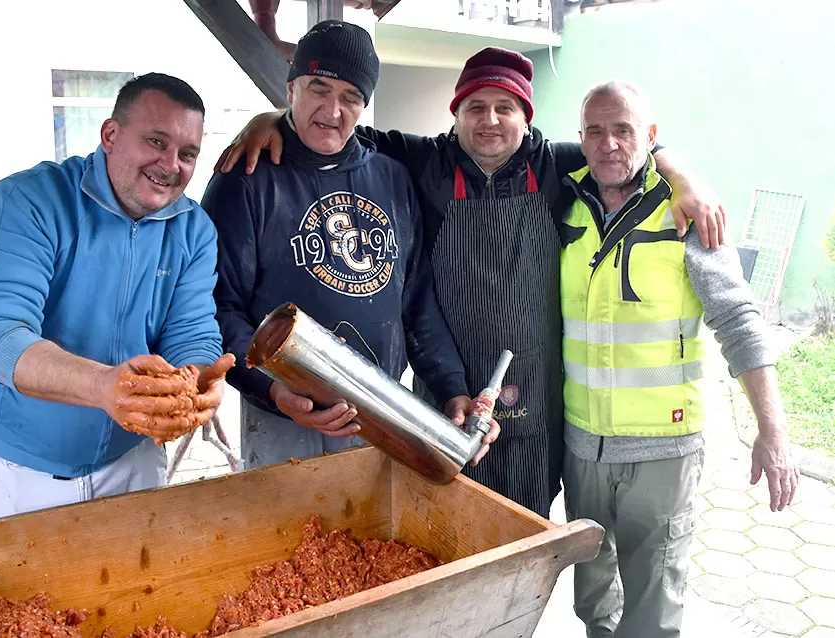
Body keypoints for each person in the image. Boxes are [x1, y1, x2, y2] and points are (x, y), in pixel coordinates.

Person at [214, 47, 725, 518]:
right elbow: (335, 132)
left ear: (528, 118)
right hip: (445, 389)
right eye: (475, 107)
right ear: (455, 117)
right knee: (436, 517)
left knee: (522, 527)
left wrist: (683, 178)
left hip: (535, 397)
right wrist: (267, 121)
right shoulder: (424, 161)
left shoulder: (560, 165)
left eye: (506, 107)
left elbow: (628, 147)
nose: (490, 120)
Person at [202, 21, 497, 470]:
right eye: (319, 89)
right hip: (282, 422)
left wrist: (452, 388)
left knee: (370, 540)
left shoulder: (391, 178)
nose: (333, 110)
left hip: (379, 417)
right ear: (291, 88)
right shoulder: (247, 178)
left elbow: (416, 303)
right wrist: (274, 391)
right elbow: (220, 307)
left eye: (351, 97)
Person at [561, 80, 799, 638]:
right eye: (595, 131)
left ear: (651, 137)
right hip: (582, 446)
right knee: (593, 599)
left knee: (652, 612)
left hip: (662, 454)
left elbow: (739, 320)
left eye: (624, 130)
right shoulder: (564, 199)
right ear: (581, 139)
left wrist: (773, 430)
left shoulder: (687, 215)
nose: (609, 144)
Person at [0, 73, 235, 524]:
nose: (171, 165)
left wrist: (199, 380)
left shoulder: (194, 228)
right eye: (155, 141)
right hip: (17, 470)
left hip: (133, 463)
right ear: (110, 134)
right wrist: (103, 387)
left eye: (188, 154)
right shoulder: (28, 201)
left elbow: (193, 331)